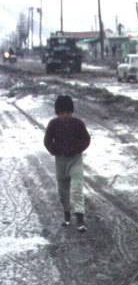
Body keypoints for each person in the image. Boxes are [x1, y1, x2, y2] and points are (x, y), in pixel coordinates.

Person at [43, 94, 91, 232]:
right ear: (58, 112)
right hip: (60, 161)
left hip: (75, 160)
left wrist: (78, 149)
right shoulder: (53, 124)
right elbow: (47, 141)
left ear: (71, 112)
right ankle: (67, 215)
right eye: (62, 113)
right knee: (63, 189)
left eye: (68, 112)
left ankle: (80, 219)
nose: (65, 115)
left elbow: (86, 139)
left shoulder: (78, 123)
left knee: (77, 187)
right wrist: (54, 150)